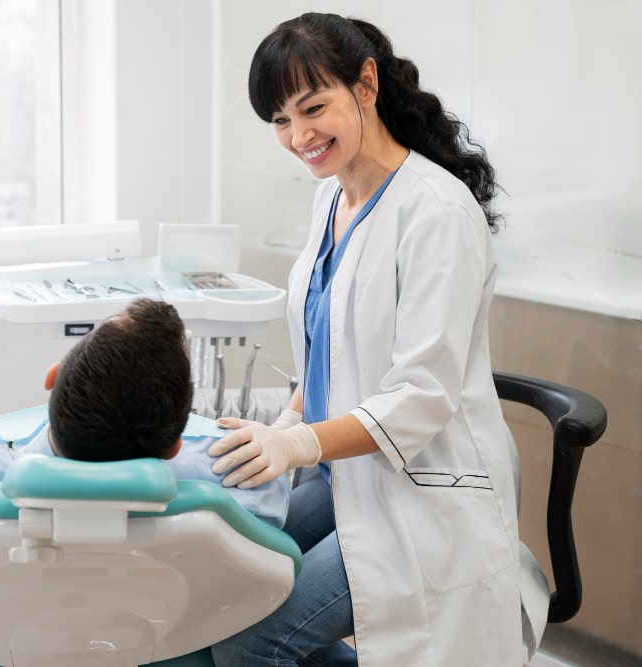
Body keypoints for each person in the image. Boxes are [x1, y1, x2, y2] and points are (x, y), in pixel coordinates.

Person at [208, 13, 549, 667]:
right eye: (281, 120)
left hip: (424, 496)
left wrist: (295, 442)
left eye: (313, 108)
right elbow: (330, 346)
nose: (299, 136)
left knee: (249, 643)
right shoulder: (332, 198)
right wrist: (280, 424)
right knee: (224, 592)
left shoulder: (437, 213)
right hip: (347, 475)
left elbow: (420, 396)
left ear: (364, 84)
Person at [0, 298, 290, 561]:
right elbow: (269, 544)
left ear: (52, 378)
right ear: (173, 445)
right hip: (159, 646)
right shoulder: (238, 474)